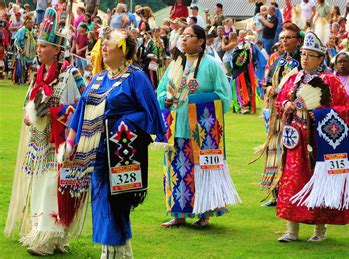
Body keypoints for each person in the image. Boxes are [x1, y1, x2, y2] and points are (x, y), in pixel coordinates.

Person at [65, 29, 165, 257]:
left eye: (109, 43)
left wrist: (126, 122)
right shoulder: (99, 77)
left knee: (115, 203)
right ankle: (121, 252)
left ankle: (110, 253)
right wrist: (71, 141)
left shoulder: (135, 77)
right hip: (95, 151)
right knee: (101, 201)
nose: (104, 48)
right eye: (103, 44)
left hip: (121, 152)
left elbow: (151, 113)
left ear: (124, 50)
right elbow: (82, 110)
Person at [5, 8, 86, 256]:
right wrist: (31, 114)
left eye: (43, 46)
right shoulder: (37, 75)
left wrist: (55, 111)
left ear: (57, 49)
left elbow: (84, 105)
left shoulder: (70, 74)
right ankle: (43, 232)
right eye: (38, 46)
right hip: (39, 143)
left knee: (54, 185)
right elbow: (27, 108)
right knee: (41, 185)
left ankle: (51, 237)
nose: (38, 50)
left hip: (61, 143)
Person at [275, 31, 349, 242]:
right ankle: (291, 231)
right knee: (292, 181)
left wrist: (318, 114)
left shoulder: (330, 81)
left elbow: (345, 110)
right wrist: (286, 105)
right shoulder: (294, 78)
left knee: (319, 182)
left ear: (321, 58)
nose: (305, 58)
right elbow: (279, 100)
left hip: (319, 141)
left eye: (310, 55)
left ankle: (319, 231)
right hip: (295, 140)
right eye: (303, 54)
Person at [158, 25, 240, 228]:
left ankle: (204, 215)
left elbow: (224, 97)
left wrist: (198, 100)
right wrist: (165, 100)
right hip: (176, 128)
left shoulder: (211, 65)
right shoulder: (175, 64)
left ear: (201, 41)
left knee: (202, 170)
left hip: (202, 131)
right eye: (182, 36)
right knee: (177, 170)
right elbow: (160, 91)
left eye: (189, 36)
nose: (184, 39)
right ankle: (178, 214)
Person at [258, 23, 303, 206]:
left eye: (289, 37)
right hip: (276, 115)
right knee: (275, 151)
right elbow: (267, 81)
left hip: (296, 115)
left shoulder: (303, 60)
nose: (284, 41)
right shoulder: (278, 60)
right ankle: (276, 193)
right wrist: (268, 87)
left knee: (292, 152)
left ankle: (292, 193)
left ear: (298, 40)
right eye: (282, 38)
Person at [13, 15, 35, 85]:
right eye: (30, 23)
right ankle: (20, 81)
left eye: (32, 22)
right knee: (22, 69)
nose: (32, 24)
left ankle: (30, 81)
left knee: (32, 68)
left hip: (31, 54)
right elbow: (16, 42)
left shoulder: (33, 31)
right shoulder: (21, 31)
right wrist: (20, 51)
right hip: (23, 53)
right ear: (26, 23)